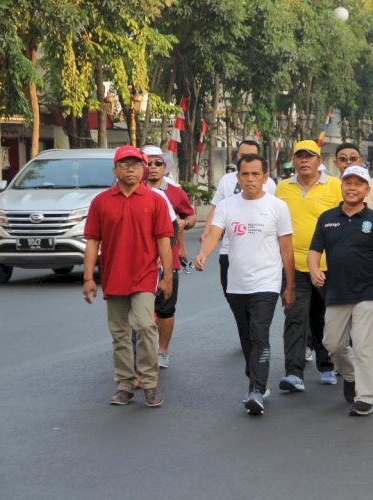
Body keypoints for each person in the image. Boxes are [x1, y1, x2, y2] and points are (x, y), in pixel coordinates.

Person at [195, 154, 295, 415]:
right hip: (237, 284)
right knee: (246, 335)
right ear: (237, 177)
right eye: (245, 174)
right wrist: (204, 253)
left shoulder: (277, 207)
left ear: (265, 177)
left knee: (260, 333)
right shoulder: (228, 206)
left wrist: (290, 286)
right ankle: (256, 378)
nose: (250, 179)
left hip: (267, 283)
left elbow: (287, 250)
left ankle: (256, 390)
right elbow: (214, 234)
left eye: (255, 174)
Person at [82, 145, 174, 408]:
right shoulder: (101, 202)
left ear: (143, 169)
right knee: (120, 332)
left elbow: (164, 242)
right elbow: (92, 241)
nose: (130, 169)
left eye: (135, 164)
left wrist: (167, 276)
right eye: (124, 165)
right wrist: (89, 277)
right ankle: (124, 384)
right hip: (113, 276)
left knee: (145, 325)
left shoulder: (155, 200)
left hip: (144, 275)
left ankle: (149, 382)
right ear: (115, 170)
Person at [308, 165, 373, 416]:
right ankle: (350, 374)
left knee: (365, 346)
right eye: (348, 183)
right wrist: (313, 270)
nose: (352, 188)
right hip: (336, 291)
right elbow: (314, 251)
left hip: (367, 290)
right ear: (341, 187)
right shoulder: (327, 218)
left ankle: (364, 398)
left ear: (367, 189)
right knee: (332, 343)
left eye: (358, 184)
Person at [275, 139, 343, 391]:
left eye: (309, 156)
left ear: (319, 161)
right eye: (299, 156)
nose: (304, 160)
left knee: (324, 316)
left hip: (328, 265)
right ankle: (293, 373)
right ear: (293, 161)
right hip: (293, 265)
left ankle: (327, 365)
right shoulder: (282, 188)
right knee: (295, 315)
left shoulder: (335, 186)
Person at [333, 143, 373, 349]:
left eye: (353, 158)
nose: (348, 162)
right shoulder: (330, 186)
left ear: (360, 160)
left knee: (371, 306)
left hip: (371, 259)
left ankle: (366, 349)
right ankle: (345, 353)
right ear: (336, 163)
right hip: (337, 262)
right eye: (343, 159)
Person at [143, 145, 196, 369]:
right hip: (139, 262)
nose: (153, 168)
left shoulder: (174, 192)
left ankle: (162, 350)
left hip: (167, 261)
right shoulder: (131, 189)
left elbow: (190, 216)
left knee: (165, 309)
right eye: (148, 163)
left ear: (165, 167)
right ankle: (140, 351)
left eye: (158, 163)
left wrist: (184, 224)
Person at [201, 140, 276, 295]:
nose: (246, 158)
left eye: (251, 155)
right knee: (235, 299)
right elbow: (216, 208)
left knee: (260, 303)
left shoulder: (269, 184)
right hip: (229, 252)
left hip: (260, 255)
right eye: (242, 155)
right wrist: (206, 234)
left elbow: (275, 215)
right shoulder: (226, 180)